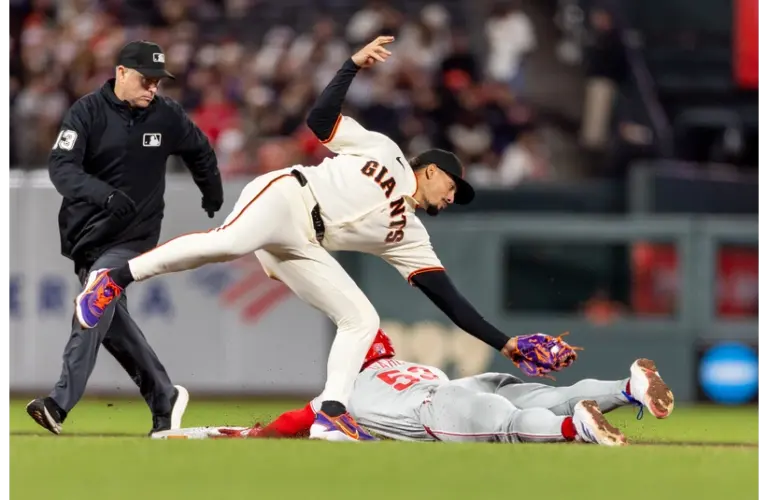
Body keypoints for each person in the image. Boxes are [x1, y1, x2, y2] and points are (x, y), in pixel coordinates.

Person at [68, 36, 576, 442]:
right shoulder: (385, 150)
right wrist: (351, 66)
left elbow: (449, 298)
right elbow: (319, 122)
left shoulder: (409, 235)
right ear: (430, 170)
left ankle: (332, 411)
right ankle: (111, 280)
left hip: (305, 243)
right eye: (452, 187)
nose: (451, 197)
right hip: (288, 196)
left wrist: (506, 343)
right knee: (227, 243)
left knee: (362, 319)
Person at [26, 40, 224, 436]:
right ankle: (164, 396)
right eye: (145, 79)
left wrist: (211, 190)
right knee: (113, 325)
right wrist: (104, 195)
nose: (153, 87)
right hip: (87, 237)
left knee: (94, 301)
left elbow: (199, 150)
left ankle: (59, 404)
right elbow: (61, 167)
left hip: (134, 237)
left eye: (157, 81)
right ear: (120, 73)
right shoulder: (87, 112)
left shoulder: (166, 114)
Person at [153, 329, 675, 445]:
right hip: (463, 383)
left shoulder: (340, 389)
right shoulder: (405, 363)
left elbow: (286, 426)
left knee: (512, 426)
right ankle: (626, 387)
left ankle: (576, 428)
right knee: (541, 396)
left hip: (437, 407)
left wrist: (242, 435)